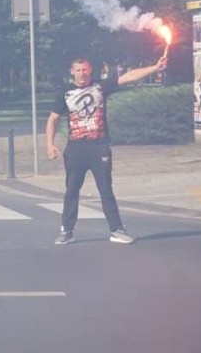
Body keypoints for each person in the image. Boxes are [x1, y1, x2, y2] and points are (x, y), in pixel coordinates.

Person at [45, 55, 167, 245]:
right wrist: (50, 145)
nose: (82, 73)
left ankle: (117, 230)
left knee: (105, 189)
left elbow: (128, 77)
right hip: (76, 148)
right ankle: (67, 230)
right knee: (71, 190)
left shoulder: (100, 87)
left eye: (85, 69)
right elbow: (53, 119)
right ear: (72, 72)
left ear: (90, 70)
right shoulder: (64, 92)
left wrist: (154, 67)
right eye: (78, 70)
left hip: (99, 147)